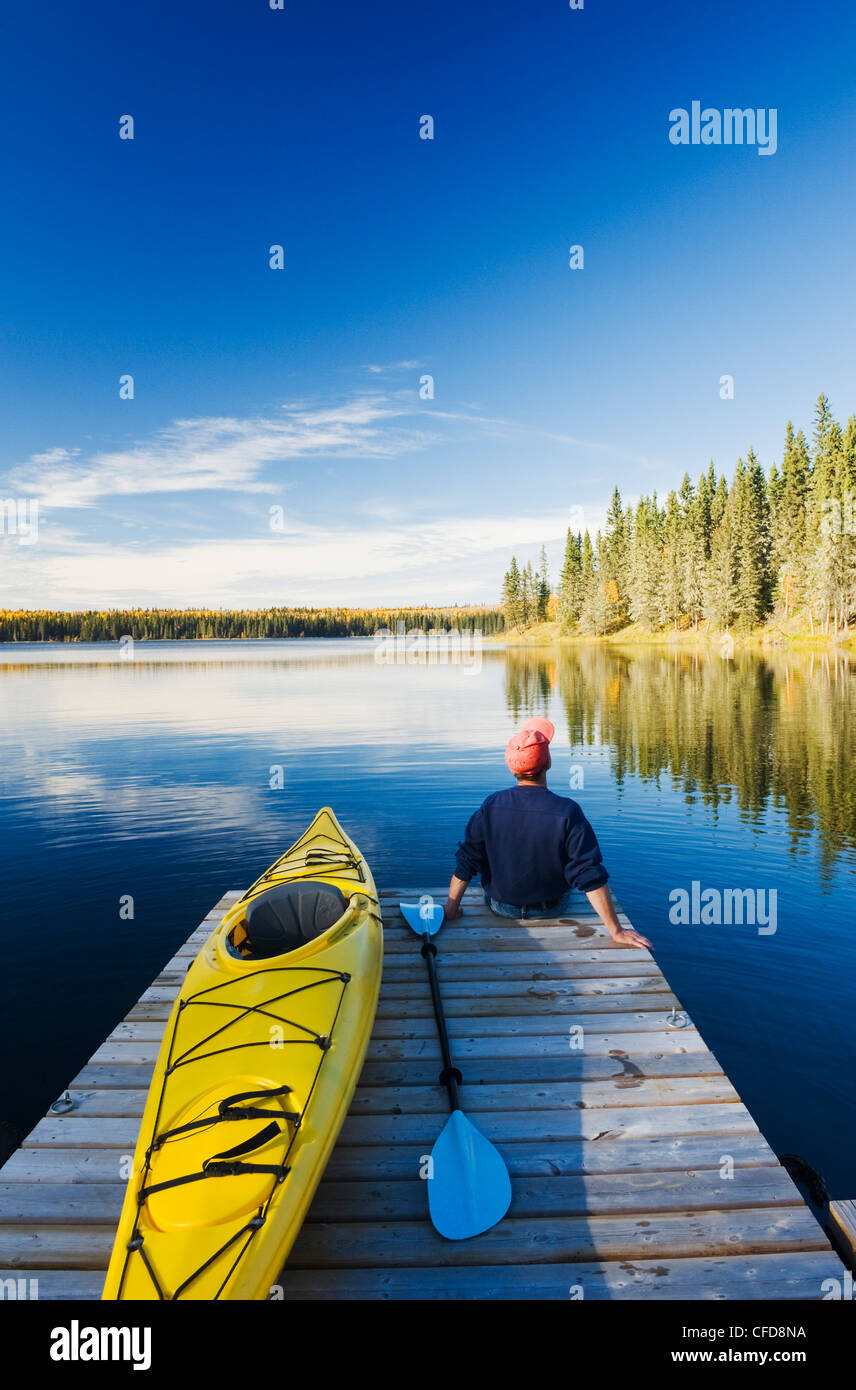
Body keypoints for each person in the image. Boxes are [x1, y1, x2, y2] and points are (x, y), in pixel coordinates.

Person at [443, 717, 652, 949]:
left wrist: (451, 911)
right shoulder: (567, 811)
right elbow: (589, 873)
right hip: (552, 908)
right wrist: (617, 930)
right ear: (548, 762)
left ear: (511, 766)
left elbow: (467, 861)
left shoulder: (491, 805)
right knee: (570, 886)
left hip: (501, 907)